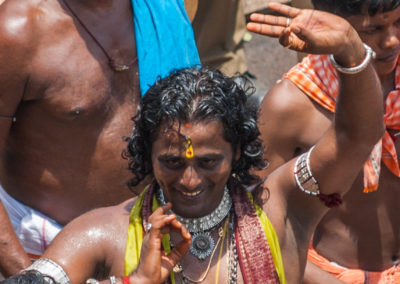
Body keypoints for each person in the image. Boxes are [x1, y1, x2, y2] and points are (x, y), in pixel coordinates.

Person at [11, 3, 384, 283]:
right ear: (147, 154)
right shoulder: (103, 233)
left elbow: (354, 138)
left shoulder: (280, 210)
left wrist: (351, 50)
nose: (190, 180)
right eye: (172, 162)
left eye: (208, 162)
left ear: (237, 152)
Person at [0, 0, 200, 277]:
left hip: (158, 235)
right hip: (52, 253)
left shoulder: (164, 7)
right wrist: (29, 275)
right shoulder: (17, 30)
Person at [256, 0, 400, 283]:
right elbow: (257, 224)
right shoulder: (289, 106)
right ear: (329, 25)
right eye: (373, 29)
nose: (392, 39)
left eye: (399, 22)